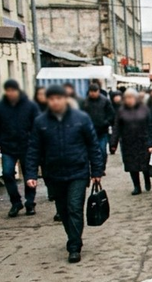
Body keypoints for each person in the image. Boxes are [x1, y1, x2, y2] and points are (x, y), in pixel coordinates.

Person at [24, 85, 105, 263]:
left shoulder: (81, 119)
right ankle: (73, 235)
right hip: (54, 174)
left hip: (78, 171)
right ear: (47, 100)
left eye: (58, 98)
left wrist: (97, 170)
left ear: (65, 99)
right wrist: (30, 174)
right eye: (51, 99)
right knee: (63, 210)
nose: (55, 102)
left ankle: (74, 246)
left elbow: (93, 146)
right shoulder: (41, 122)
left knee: (74, 207)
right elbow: (33, 150)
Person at [0, 79, 40, 217]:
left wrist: (37, 143)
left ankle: (30, 203)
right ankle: (15, 202)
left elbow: (37, 126)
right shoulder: (0, 107)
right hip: (8, 146)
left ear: (18, 91)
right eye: (8, 91)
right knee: (7, 173)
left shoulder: (29, 106)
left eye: (13, 90)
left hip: (27, 146)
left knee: (30, 175)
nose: (10, 93)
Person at [110, 89, 152, 195]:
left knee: (144, 164)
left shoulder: (144, 109)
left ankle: (147, 179)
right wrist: (113, 143)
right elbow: (117, 128)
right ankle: (136, 186)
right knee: (132, 165)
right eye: (127, 98)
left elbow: (151, 126)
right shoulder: (121, 111)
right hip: (128, 142)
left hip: (143, 141)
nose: (129, 100)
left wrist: (151, 142)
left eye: (131, 97)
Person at [81, 84, 115, 156]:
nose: (93, 93)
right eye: (91, 91)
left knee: (102, 150)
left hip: (102, 131)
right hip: (89, 131)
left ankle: (101, 166)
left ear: (98, 91)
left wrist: (105, 123)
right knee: (90, 151)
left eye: (95, 91)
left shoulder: (105, 101)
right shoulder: (85, 102)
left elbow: (111, 114)